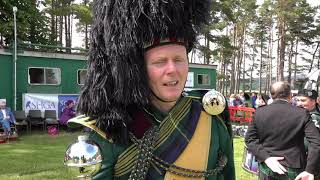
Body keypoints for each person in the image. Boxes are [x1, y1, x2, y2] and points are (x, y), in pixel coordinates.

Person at [68, 0, 235, 179]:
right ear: (138, 70)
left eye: (179, 59)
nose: (172, 69)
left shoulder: (211, 116)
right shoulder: (110, 132)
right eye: (160, 62)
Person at [245, 81, 320, 180]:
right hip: (292, 167)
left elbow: (250, 140)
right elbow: (316, 142)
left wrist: (266, 158)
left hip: (268, 166)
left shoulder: (259, 112)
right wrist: (310, 170)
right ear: (290, 95)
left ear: (271, 95)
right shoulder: (302, 113)